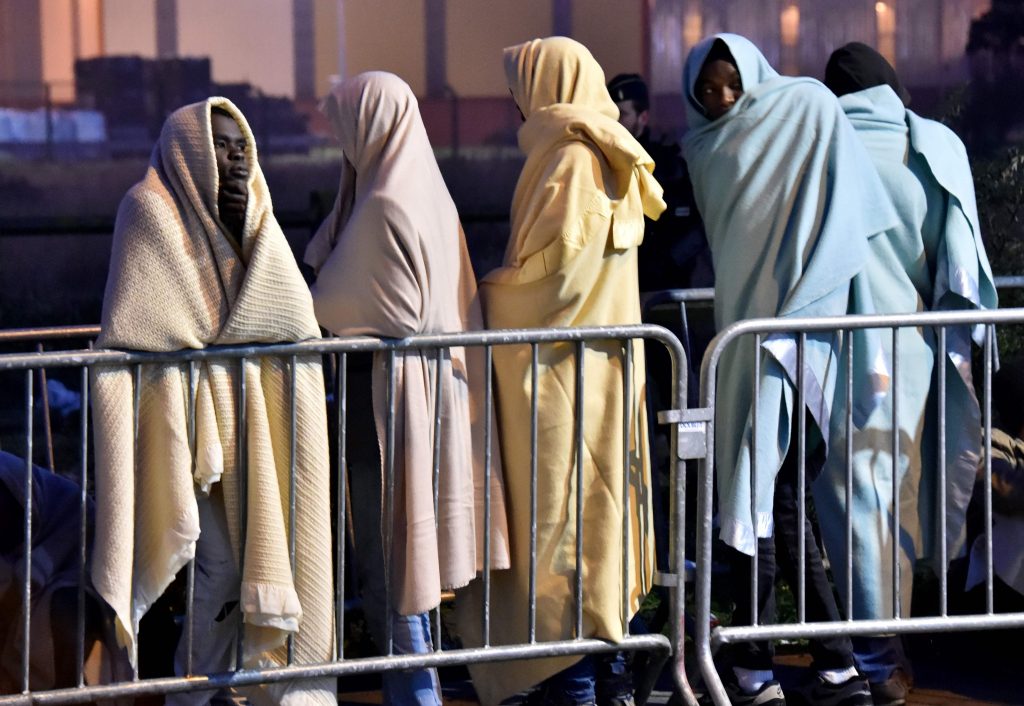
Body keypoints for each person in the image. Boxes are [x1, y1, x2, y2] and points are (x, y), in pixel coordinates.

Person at [91, 98, 335, 706]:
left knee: (236, 566)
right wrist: (220, 336)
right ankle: (192, 694)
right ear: (188, 146)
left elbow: (292, 316)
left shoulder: (255, 209)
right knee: (215, 567)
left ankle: (213, 688)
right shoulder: (148, 207)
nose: (233, 155)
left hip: (245, 419)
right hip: (178, 419)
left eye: (240, 144)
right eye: (220, 143)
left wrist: (243, 233)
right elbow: (145, 322)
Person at [682, 34, 899, 706]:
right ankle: (825, 666)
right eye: (707, 89)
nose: (720, 98)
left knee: (761, 505)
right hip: (753, 348)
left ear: (751, 74)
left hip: (791, 348)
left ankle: (771, 671)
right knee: (777, 508)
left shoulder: (805, 106)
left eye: (728, 84)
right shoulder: (705, 147)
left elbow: (848, 218)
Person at [457, 37, 665, 706]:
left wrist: (479, 298)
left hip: (556, 385)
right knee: (598, 535)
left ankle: (575, 685)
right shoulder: (601, 153)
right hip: (598, 377)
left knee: (560, 544)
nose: (517, 100)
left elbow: (550, 283)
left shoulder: (570, 161)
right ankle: (607, 682)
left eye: (522, 85)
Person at [303, 71, 511, 706]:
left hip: (391, 409)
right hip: (436, 398)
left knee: (393, 569)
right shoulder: (430, 195)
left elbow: (331, 303)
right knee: (412, 562)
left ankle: (415, 695)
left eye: (347, 131)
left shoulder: (384, 206)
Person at [815, 42, 998, 706]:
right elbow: (959, 264)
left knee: (852, 505)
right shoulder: (935, 146)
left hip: (845, 353)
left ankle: (875, 656)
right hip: (920, 352)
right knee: (893, 500)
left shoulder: (822, 150)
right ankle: (882, 650)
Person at [606, 73, 712, 293]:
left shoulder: (669, 166)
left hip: (665, 290)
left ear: (642, 118)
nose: (615, 123)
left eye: (622, 115)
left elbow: (698, 226)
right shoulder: (599, 164)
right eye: (610, 114)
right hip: (617, 285)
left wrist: (669, 262)